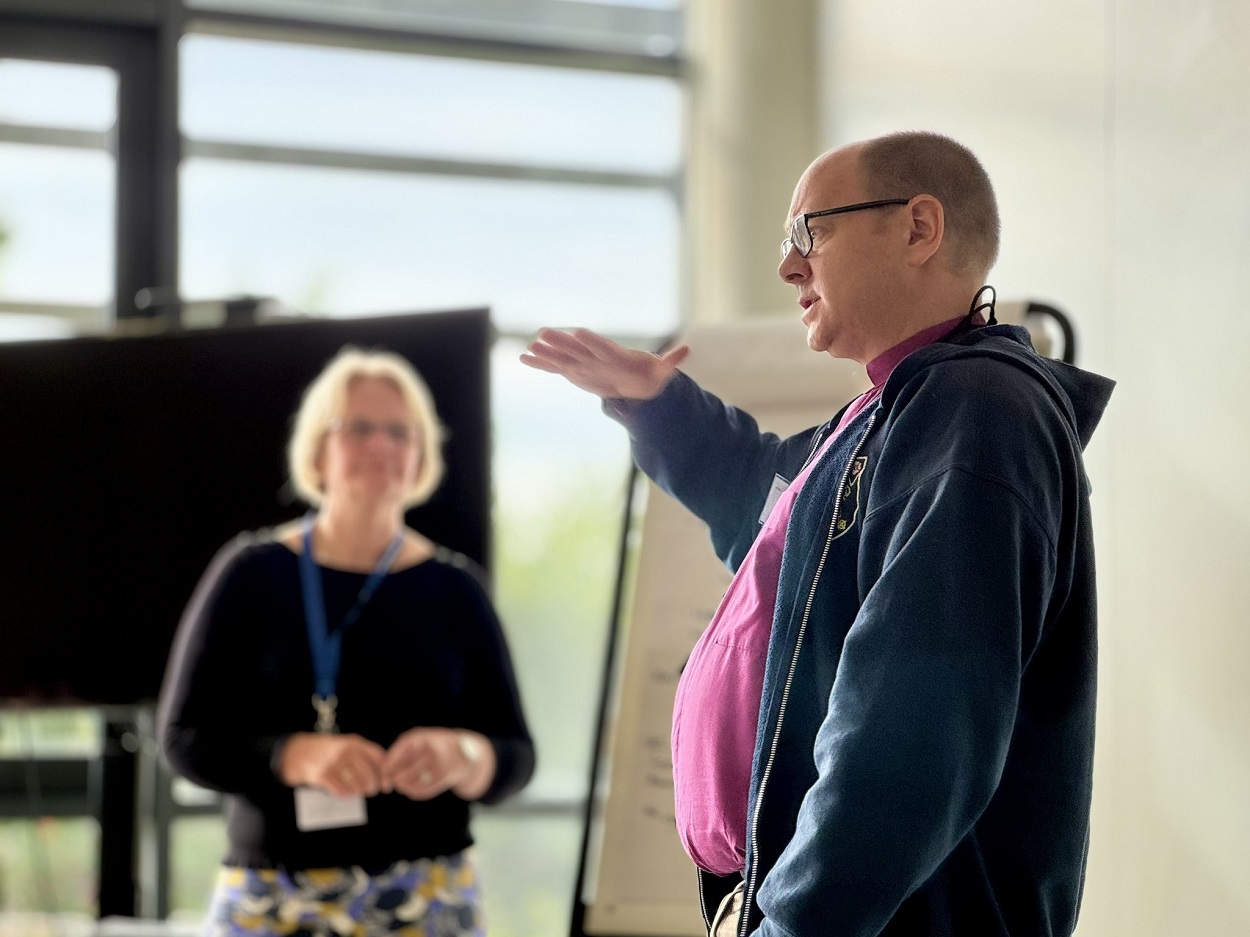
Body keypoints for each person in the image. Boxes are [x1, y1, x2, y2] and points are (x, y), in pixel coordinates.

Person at [522, 131, 1114, 937]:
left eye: (811, 232)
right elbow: (770, 515)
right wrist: (659, 404)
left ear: (918, 228)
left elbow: (906, 737)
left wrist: (794, 926)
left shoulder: (975, 411)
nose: (789, 266)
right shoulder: (889, 415)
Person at [158, 347, 534, 937]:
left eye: (400, 433)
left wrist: (463, 754)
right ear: (317, 451)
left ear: (420, 458)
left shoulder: (457, 589)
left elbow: (517, 755)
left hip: (429, 895)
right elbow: (184, 739)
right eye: (358, 427)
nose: (381, 445)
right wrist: (295, 755)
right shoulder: (250, 572)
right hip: (273, 895)